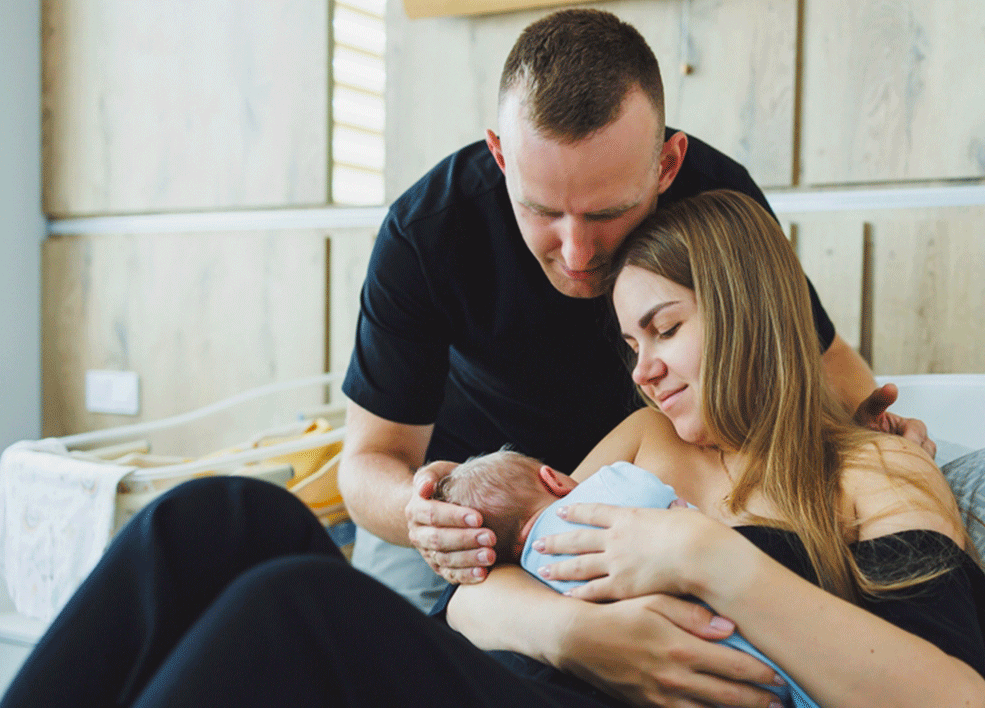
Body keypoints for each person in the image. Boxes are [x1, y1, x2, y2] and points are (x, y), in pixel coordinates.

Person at [0, 189, 985, 708]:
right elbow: (474, 596)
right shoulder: (650, 440)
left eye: (665, 328)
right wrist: (578, 632)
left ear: (749, 313)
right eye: (629, 343)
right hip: (535, 681)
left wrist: (708, 556)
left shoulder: (875, 474)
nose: (642, 370)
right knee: (219, 518)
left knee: (299, 607)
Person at [337, 8, 933, 621]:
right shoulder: (426, 232)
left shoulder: (718, 203)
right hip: (477, 495)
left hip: (653, 487)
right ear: (500, 156)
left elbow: (812, 353)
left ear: (667, 165)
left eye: (605, 214)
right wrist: (426, 516)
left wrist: (870, 439)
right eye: (542, 211)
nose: (576, 254)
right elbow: (367, 460)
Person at [437, 448, 879, 708]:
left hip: (692, 687)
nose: (644, 369)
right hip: (733, 629)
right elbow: (665, 503)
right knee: (796, 686)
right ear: (553, 479)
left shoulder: (534, 574)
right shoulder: (606, 485)